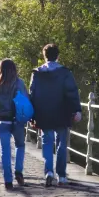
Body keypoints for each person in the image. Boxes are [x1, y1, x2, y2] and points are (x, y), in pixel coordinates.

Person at [29, 44, 82, 187]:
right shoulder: (65, 73)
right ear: (58, 56)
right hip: (62, 112)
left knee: (46, 141)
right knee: (61, 144)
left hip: (44, 113)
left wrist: (32, 115)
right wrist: (77, 110)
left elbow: (32, 94)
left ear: (44, 56)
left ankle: (48, 172)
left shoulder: (37, 73)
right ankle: (61, 175)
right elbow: (72, 92)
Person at [0, 58, 29, 190]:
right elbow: (26, 100)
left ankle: (8, 181)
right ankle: (18, 171)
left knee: (5, 151)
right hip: (17, 121)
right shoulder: (19, 83)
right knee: (20, 146)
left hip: (3, 120)